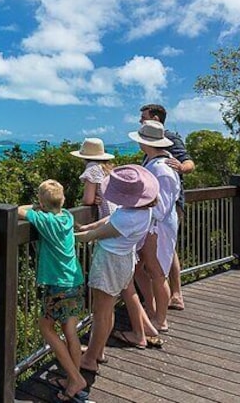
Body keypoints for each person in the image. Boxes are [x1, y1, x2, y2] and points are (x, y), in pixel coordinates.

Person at [71, 139, 162, 351]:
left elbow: (89, 203)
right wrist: (87, 228)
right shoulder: (142, 211)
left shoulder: (93, 170)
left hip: (111, 257)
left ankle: (93, 356)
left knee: (103, 311)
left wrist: (64, 231)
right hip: (125, 253)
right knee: (120, 297)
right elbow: (107, 222)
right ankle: (144, 330)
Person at [18, 180, 87, 402]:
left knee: (46, 328)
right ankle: (72, 379)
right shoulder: (68, 216)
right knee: (70, 331)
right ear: (63, 200)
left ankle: (76, 379)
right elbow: (55, 207)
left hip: (57, 284)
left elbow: (18, 211)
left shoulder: (44, 220)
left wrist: (34, 206)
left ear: (41, 202)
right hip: (74, 279)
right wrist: (45, 204)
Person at [139, 104, 195, 311]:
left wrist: (181, 167)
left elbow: (189, 162)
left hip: (165, 206)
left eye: (143, 118)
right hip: (162, 207)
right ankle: (158, 300)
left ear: (154, 118)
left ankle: (170, 298)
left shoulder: (169, 138)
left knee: (165, 250)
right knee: (163, 251)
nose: (140, 121)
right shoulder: (153, 151)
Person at [130, 121, 180, 333]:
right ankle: (152, 312)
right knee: (142, 268)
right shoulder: (158, 164)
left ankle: (160, 319)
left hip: (157, 229)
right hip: (153, 226)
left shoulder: (161, 169)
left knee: (158, 273)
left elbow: (162, 205)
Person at [71, 137, 116, 220]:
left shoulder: (92, 169)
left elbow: (88, 200)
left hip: (106, 215)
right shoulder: (107, 169)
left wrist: (91, 199)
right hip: (115, 212)